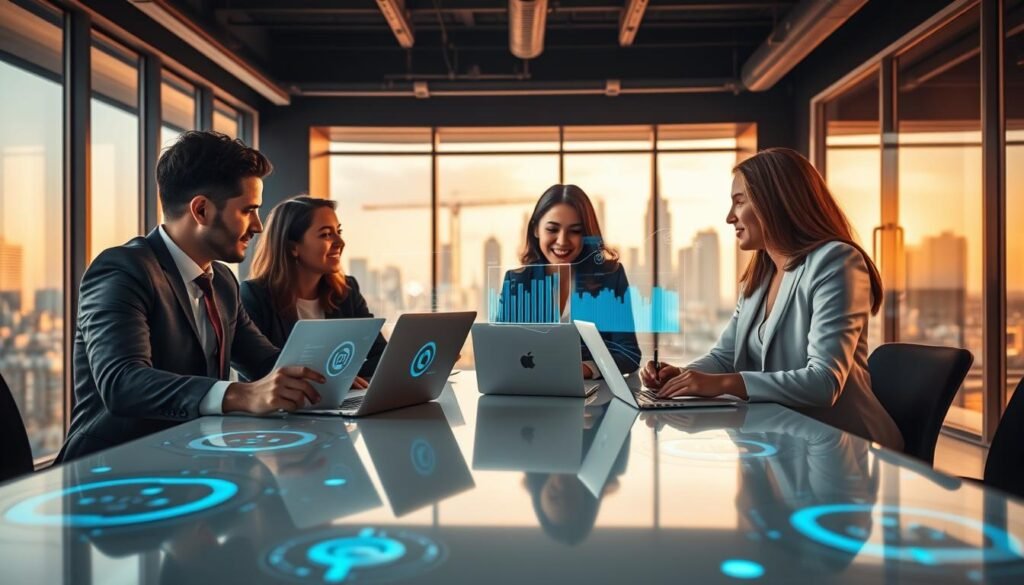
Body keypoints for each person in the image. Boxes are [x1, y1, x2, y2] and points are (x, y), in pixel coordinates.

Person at [58, 131, 325, 462]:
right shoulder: (122, 270)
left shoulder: (223, 281)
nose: (258, 226)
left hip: (191, 460)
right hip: (112, 469)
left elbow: (264, 361)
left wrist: (331, 377)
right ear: (201, 210)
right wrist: (241, 394)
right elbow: (123, 383)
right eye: (248, 210)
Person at [640, 148, 902, 449]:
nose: (729, 218)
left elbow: (823, 382)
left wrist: (722, 384)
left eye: (739, 202)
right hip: (785, 438)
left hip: (847, 446)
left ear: (775, 202)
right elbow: (725, 357)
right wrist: (684, 376)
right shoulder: (761, 275)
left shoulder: (836, 261)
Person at [241, 196, 387, 389]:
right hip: (280, 413)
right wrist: (334, 379)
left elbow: (381, 355)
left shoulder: (346, 291)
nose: (340, 242)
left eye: (338, 231)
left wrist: (340, 382)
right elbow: (260, 369)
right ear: (293, 247)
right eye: (326, 234)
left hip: (335, 404)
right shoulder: (254, 295)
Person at [499, 184, 641, 378]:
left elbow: (629, 355)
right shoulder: (517, 282)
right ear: (536, 230)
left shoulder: (609, 277)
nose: (562, 241)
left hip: (592, 398)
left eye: (575, 231)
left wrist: (585, 369)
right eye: (552, 229)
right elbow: (499, 350)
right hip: (530, 390)